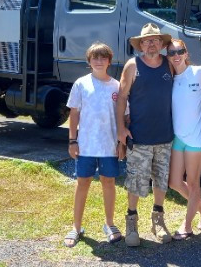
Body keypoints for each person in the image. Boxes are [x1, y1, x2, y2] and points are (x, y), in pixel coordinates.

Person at [117, 22, 174, 247]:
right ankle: (131, 222)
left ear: (162, 44)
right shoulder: (133, 65)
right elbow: (122, 97)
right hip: (139, 136)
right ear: (140, 45)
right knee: (136, 181)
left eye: (156, 40)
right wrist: (121, 128)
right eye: (147, 41)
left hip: (165, 135)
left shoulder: (169, 64)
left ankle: (157, 220)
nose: (151, 44)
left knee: (161, 179)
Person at [64, 42, 124, 247]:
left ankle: (109, 223)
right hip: (86, 145)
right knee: (83, 183)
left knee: (109, 182)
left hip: (109, 146)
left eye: (103, 57)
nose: (99, 61)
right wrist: (72, 140)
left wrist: (121, 142)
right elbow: (74, 113)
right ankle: (76, 227)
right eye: (95, 58)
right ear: (89, 61)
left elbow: (123, 116)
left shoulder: (116, 86)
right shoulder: (81, 84)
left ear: (109, 61)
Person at [166, 39, 201, 240]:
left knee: (193, 184)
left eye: (180, 51)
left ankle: (187, 225)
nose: (176, 55)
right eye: (171, 52)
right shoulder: (169, 78)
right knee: (174, 182)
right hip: (178, 138)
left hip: (196, 139)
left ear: (186, 53)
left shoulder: (199, 72)